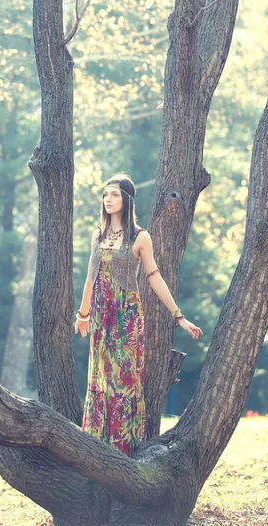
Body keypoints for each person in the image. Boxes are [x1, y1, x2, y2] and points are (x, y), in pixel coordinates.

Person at [74, 173, 203, 456]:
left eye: (115, 194)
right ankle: (97, 448)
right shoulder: (97, 235)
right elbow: (89, 278)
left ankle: (125, 450)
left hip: (126, 318)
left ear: (128, 200)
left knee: (124, 381)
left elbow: (154, 277)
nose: (108, 199)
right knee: (99, 380)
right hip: (100, 318)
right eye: (106, 194)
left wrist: (179, 316)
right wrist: (83, 315)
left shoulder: (140, 237)